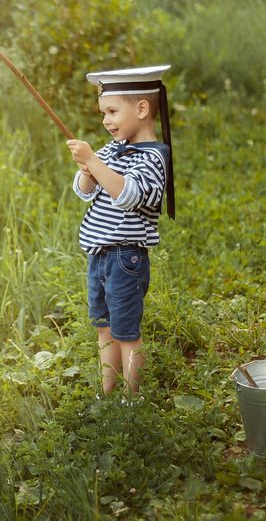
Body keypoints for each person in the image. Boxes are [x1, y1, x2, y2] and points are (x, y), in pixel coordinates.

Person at [65, 65, 175, 398]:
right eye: (103, 114)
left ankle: (131, 401)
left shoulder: (154, 157)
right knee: (104, 329)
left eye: (112, 112)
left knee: (127, 333)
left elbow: (129, 195)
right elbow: (85, 191)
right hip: (98, 255)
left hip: (126, 257)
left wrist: (96, 164)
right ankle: (108, 393)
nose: (105, 121)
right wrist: (87, 169)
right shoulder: (113, 149)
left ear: (142, 109)